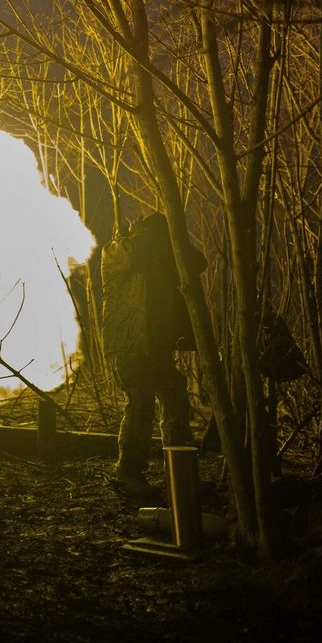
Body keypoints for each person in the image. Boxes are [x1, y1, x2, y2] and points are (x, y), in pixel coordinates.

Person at [100, 213, 204, 499]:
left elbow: (198, 262)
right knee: (140, 402)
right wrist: (155, 232)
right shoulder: (117, 250)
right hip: (129, 342)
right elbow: (137, 251)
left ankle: (179, 471)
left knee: (174, 395)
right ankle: (127, 473)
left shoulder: (160, 254)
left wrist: (176, 238)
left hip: (156, 343)